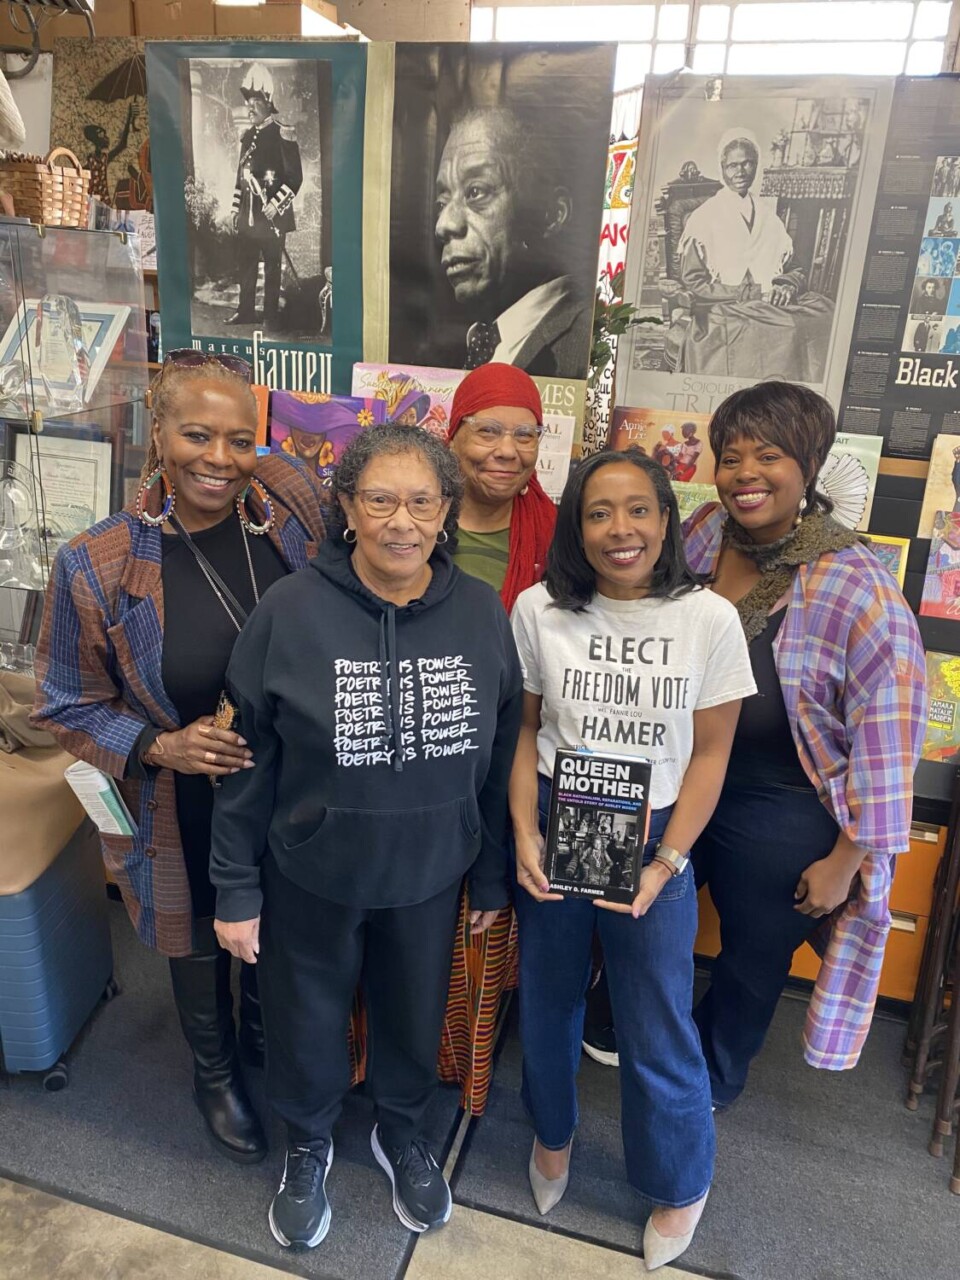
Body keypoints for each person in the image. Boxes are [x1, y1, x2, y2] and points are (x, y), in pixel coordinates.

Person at [209, 424, 523, 1250]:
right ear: (347, 506)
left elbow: (498, 761)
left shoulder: (483, 616)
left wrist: (491, 878)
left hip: (432, 874)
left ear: (447, 512)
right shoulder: (289, 611)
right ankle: (307, 1143)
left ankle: (403, 1133)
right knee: (303, 1019)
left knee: (413, 1015)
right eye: (380, 498)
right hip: (309, 871)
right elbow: (247, 762)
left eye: (423, 501)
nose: (401, 521)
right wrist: (236, 887)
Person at [32, 352, 326, 1164]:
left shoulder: (289, 503)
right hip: (180, 795)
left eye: (240, 438)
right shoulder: (99, 563)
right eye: (197, 434)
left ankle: (266, 1028)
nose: (220, 459)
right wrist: (161, 744)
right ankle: (214, 1068)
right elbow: (63, 701)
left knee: (287, 916)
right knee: (198, 929)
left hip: (295, 780)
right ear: (157, 432)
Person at [509, 448, 755, 1272]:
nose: (622, 530)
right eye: (600, 512)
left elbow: (712, 754)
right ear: (577, 525)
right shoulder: (540, 609)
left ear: (667, 518)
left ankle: (681, 1180)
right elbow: (523, 730)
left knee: (656, 1017)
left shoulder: (708, 618)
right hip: (560, 813)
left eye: (640, 509)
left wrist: (669, 860)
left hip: (656, 832)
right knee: (546, 1000)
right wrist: (523, 832)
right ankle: (551, 1136)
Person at [684, 381, 926, 1111]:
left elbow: (892, 733)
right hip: (684, 771)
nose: (746, 473)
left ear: (810, 464)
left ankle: (713, 1077)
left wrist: (847, 858)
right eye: (731, 456)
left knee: (752, 960)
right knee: (636, 909)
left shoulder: (856, 583)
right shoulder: (700, 532)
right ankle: (642, 1032)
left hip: (782, 799)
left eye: (770, 454)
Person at [425, 363, 557, 1115]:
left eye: (525, 433)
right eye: (488, 430)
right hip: (423, 741)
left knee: (486, 906)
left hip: (510, 749)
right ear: (456, 433)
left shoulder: (557, 529)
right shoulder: (414, 514)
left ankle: (460, 1055)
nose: (506, 450)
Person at [434, 107, 592, 377]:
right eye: (441, 203)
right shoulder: (472, 346)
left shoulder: (588, 347)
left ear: (551, 215)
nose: (444, 225)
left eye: (475, 192)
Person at [670, 129, 832, 380]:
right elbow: (693, 281)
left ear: (755, 166)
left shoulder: (768, 216)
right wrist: (747, 293)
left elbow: (796, 268)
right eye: (733, 165)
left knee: (824, 313)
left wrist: (785, 286)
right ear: (722, 168)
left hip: (772, 300)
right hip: (726, 305)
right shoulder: (704, 218)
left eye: (747, 163)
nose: (740, 171)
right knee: (788, 328)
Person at [229, 63, 303, 329]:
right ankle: (245, 311)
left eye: (255, 100)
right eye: (248, 101)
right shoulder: (248, 137)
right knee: (246, 266)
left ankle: (270, 316)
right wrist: (235, 210)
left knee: (272, 269)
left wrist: (275, 204)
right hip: (249, 218)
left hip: (272, 218)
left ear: (268, 102)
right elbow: (241, 178)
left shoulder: (282, 133)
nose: (250, 106)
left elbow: (295, 179)